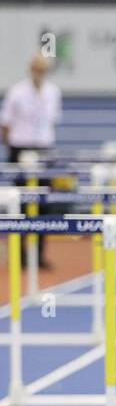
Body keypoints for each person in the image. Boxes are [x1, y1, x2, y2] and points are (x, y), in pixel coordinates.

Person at [1, 55, 62, 268]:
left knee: (44, 205)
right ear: (30, 69)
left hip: (44, 150)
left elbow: (52, 122)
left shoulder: (53, 92)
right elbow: (6, 125)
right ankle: (19, 255)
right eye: (36, 69)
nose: (39, 73)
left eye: (42, 69)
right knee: (21, 204)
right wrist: (14, 154)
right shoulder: (16, 92)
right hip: (20, 148)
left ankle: (38, 255)